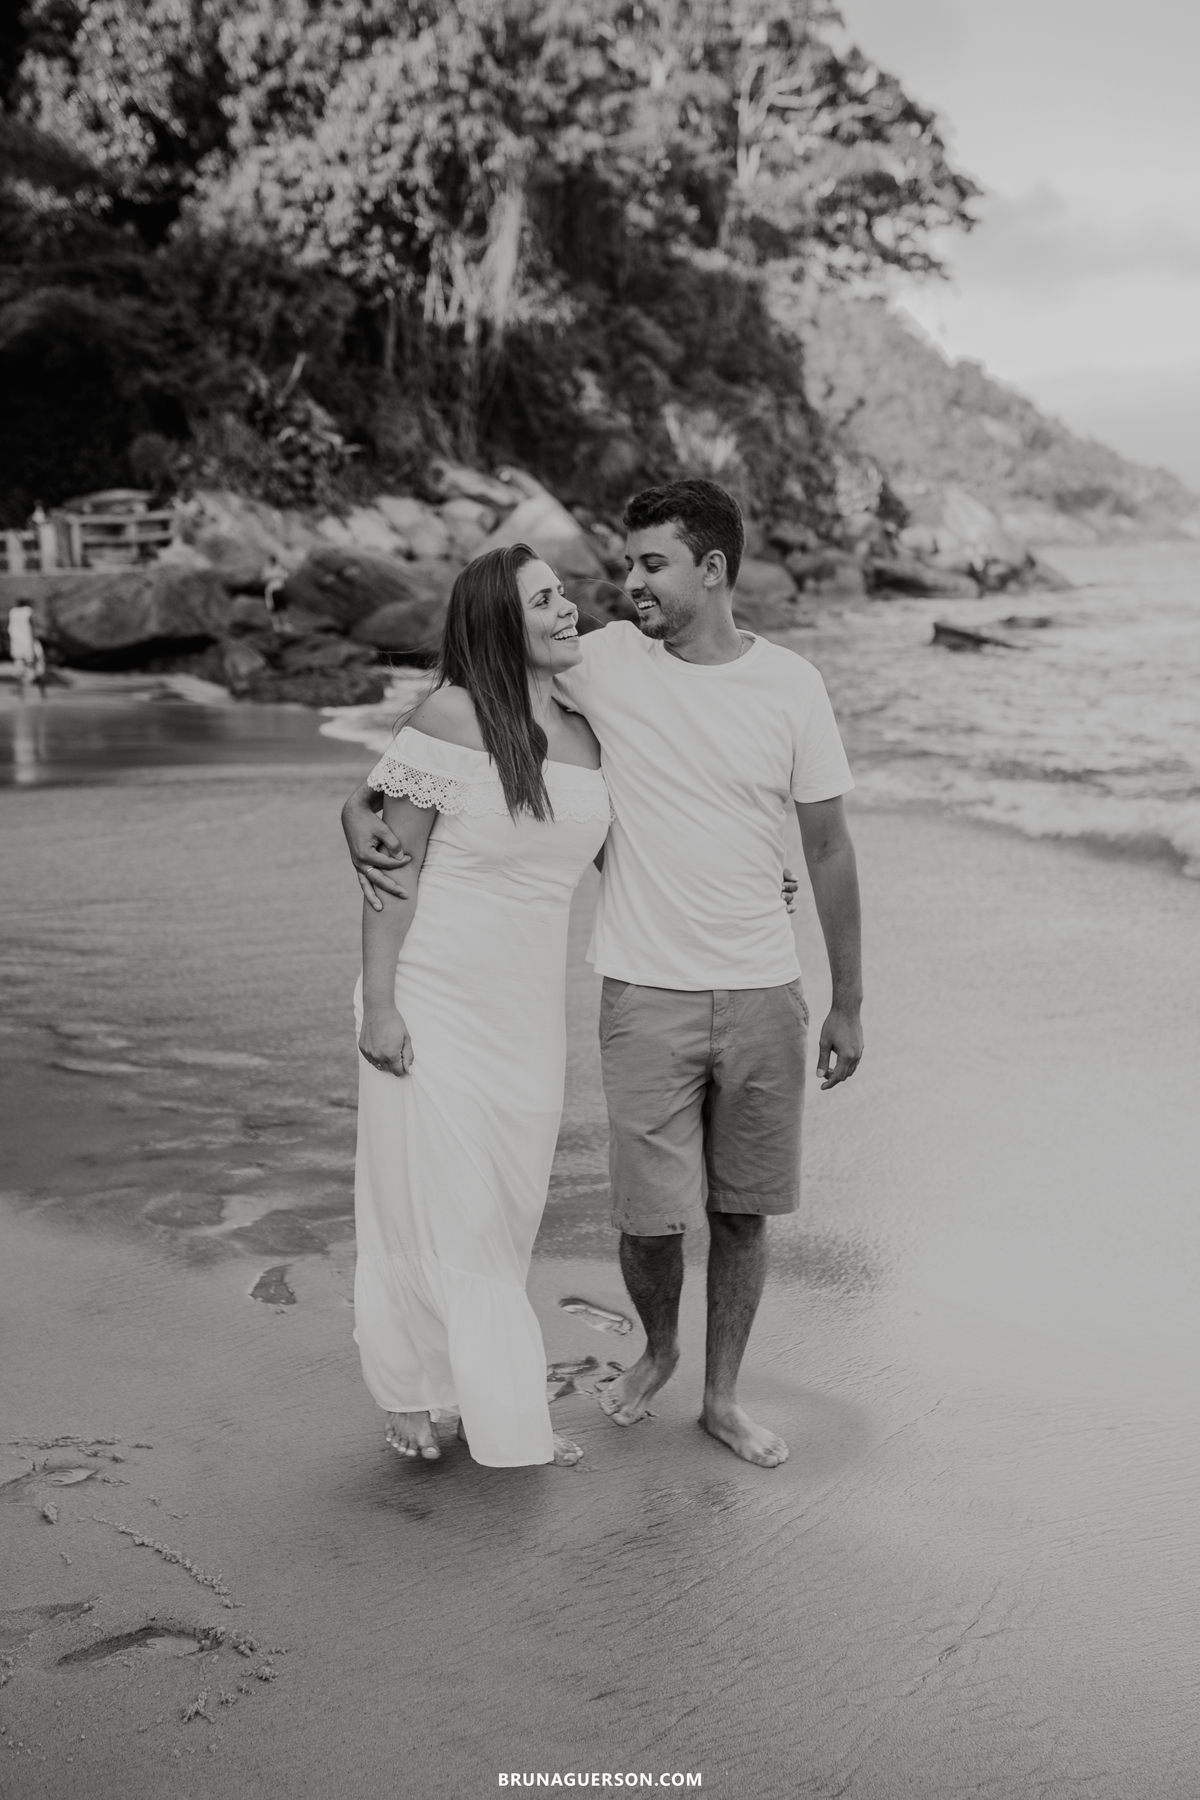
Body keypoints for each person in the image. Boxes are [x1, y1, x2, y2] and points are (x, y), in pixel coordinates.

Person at [344, 479, 863, 1470]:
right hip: (541, 990)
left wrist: (826, 967)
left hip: (653, 996)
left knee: (653, 1210)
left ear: (711, 570)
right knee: (546, 1209)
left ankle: (690, 1396)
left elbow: (794, 843)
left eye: (649, 566)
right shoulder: (550, 683)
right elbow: (401, 798)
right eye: (610, 573)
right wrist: (358, 849)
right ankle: (534, 1375)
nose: (615, 591)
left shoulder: (718, 698)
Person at [353, 543, 612, 1468]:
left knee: (503, 1210)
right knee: (432, 1204)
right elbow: (391, 860)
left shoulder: (587, 724)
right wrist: (380, 1002)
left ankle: (466, 1383)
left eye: (563, 593)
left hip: (527, 1013)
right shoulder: (454, 714)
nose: (567, 608)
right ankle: (426, 1396)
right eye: (543, 599)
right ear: (502, 620)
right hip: (433, 991)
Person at [7, 604, 46, 698]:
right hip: (29, 645)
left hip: (17, 646)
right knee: (39, 668)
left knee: (19, 670)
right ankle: (43, 694)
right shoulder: (27, 611)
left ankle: (21, 694)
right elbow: (32, 629)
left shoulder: (12, 612)